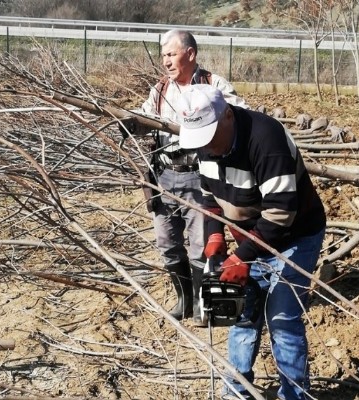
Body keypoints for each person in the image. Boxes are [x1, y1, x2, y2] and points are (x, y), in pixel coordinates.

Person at [175, 84, 326, 400]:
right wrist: (216, 234)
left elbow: (282, 211)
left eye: (210, 138)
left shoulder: (265, 138)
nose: (207, 148)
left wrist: (241, 256)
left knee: (282, 319)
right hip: (249, 240)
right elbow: (210, 198)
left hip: (294, 236)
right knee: (241, 315)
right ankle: (235, 393)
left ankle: (294, 396)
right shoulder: (206, 147)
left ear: (227, 116)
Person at [138, 29, 247, 324]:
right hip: (165, 176)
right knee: (167, 243)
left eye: (171, 54)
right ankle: (183, 300)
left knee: (201, 245)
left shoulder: (213, 85)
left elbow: (239, 115)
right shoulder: (161, 90)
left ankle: (202, 302)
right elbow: (144, 119)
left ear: (190, 54)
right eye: (163, 56)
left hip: (199, 177)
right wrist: (130, 123)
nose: (166, 62)